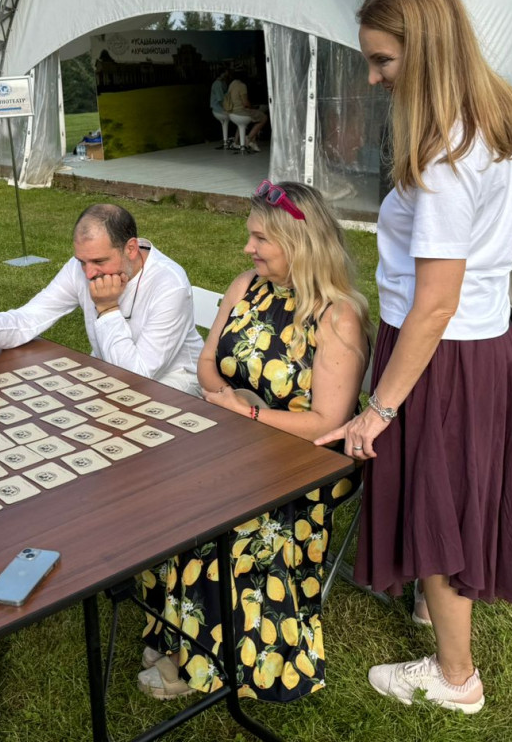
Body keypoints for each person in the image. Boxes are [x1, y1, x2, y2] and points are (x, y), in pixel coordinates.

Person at [316, 0, 512, 714]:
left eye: (383, 61)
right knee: (461, 494)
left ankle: (455, 678)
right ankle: (437, 609)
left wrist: (382, 409)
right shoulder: (497, 113)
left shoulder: (442, 154)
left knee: (437, 502)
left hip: (440, 354)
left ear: (424, 50)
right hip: (485, 346)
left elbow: (434, 302)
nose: (372, 78)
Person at [136, 181, 369, 701]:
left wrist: (247, 413)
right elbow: (206, 362)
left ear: (298, 243)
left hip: (308, 462)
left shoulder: (338, 315)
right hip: (234, 437)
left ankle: (201, 659)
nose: (248, 249)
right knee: (163, 490)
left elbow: (327, 422)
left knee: (223, 518)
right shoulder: (247, 286)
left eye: (260, 238)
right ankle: (175, 629)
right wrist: (230, 405)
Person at [0, 204, 202, 395]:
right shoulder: (80, 267)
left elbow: (139, 374)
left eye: (99, 261)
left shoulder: (170, 285)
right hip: (106, 376)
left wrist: (107, 308)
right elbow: (33, 315)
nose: (89, 273)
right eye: (82, 261)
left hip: (173, 387)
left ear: (131, 249)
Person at [225, 72, 268, 152]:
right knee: (263, 117)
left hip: (231, 113)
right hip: (240, 112)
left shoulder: (232, 84)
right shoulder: (242, 85)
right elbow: (245, 103)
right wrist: (252, 107)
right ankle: (249, 138)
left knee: (241, 124)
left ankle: (236, 142)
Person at [210, 67, 232, 149]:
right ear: (222, 73)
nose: (227, 74)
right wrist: (226, 109)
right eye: (226, 72)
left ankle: (226, 141)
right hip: (219, 109)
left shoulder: (222, 83)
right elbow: (220, 99)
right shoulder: (218, 84)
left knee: (226, 122)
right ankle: (230, 141)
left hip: (219, 109)